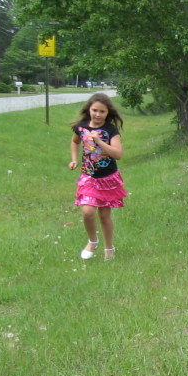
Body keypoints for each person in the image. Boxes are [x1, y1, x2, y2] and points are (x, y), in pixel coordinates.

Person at [68, 92, 125, 260]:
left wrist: (99, 142)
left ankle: (109, 248)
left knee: (104, 215)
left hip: (108, 178)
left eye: (102, 111)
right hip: (88, 177)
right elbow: (75, 141)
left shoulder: (110, 130)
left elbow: (118, 154)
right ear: (89, 109)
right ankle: (92, 241)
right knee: (87, 212)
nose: (98, 114)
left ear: (108, 113)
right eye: (95, 110)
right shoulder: (81, 127)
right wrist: (74, 159)